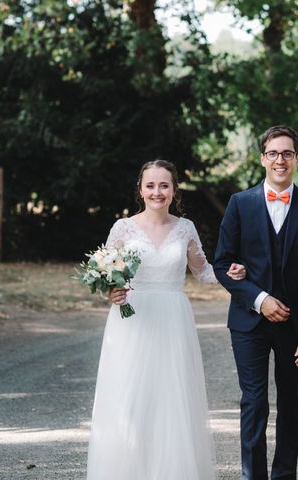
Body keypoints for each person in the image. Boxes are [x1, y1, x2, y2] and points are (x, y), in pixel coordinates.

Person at [86, 159, 246, 480]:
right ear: (140, 190)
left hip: (173, 320)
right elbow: (105, 275)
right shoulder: (123, 228)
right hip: (133, 320)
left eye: (164, 185)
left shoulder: (185, 228)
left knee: (171, 398)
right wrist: (111, 292)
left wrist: (231, 274)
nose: (157, 192)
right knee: (130, 397)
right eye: (151, 185)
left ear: (174, 190)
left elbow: (202, 272)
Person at [213, 125, 298, 480]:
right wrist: (259, 299)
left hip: (296, 326)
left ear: (297, 158)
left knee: (292, 404)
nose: (279, 160)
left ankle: (284, 475)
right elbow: (222, 263)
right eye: (273, 153)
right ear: (262, 158)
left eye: (287, 153)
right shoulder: (240, 204)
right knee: (254, 402)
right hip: (248, 323)